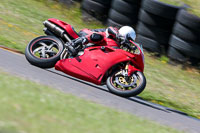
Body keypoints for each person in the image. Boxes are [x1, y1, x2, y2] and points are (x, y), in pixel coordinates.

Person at [68, 26, 136, 55]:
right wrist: (118, 35)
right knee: (100, 37)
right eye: (129, 40)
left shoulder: (117, 45)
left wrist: (130, 47)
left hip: (92, 46)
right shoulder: (115, 32)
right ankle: (74, 43)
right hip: (87, 33)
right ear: (126, 33)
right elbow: (110, 29)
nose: (128, 42)